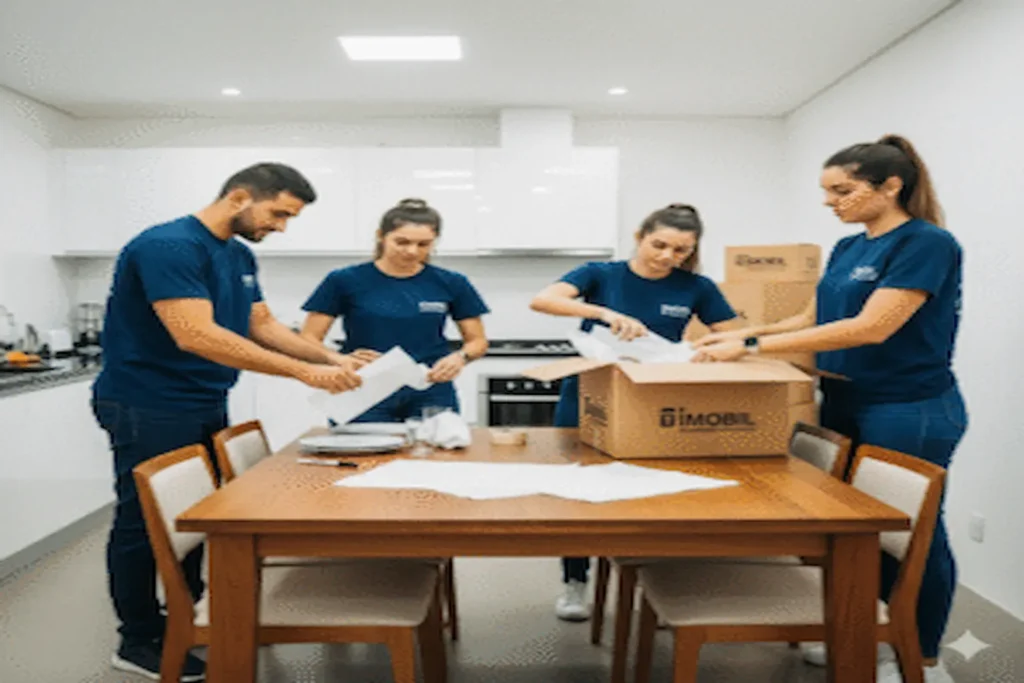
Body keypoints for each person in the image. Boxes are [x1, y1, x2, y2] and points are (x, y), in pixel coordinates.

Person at [694, 135, 964, 683]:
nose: (829, 202)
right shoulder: (848, 247)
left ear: (891, 186)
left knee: (910, 534)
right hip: (844, 397)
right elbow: (808, 320)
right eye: (826, 191)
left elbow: (872, 327)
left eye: (842, 190)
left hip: (909, 405)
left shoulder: (927, 243)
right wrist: (740, 334)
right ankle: (858, 629)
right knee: (848, 528)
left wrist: (747, 347)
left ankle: (921, 656)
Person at [93, 162, 374, 681]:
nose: (282, 227)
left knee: (201, 513)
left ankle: (190, 616)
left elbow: (259, 323)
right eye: (279, 213)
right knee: (145, 520)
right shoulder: (170, 246)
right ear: (240, 197)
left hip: (203, 395)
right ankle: (137, 638)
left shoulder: (238, 253)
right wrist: (302, 373)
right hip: (146, 400)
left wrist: (330, 359)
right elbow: (195, 335)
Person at [530, 203, 742, 621]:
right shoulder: (600, 274)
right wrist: (605, 313)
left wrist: (711, 350)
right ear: (639, 236)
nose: (666, 257)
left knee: (653, 494)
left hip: (653, 400)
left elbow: (733, 334)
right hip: (589, 394)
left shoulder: (696, 286)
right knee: (579, 491)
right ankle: (575, 581)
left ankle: (654, 588)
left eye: (679, 250)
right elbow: (544, 300)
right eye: (658, 244)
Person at [300, 198, 490, 422]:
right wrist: (336, 359)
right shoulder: (343, 280)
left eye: (423, 244)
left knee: (436, 453)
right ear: (381, 236)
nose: (412, 251)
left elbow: (477, 342)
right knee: (361, 455)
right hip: (362, 388)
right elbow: (309, 338)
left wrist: (460, 357)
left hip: (430, 388)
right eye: (402, 242)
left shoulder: (452, 282)